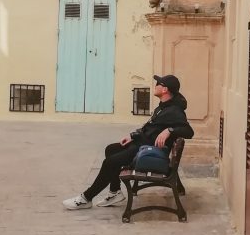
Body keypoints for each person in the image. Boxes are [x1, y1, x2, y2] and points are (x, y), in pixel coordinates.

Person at [63, 75, 194, 210]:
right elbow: (150, 127)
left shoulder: (174, 110)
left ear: (165, 89)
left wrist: (169, 131)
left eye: (158, 83)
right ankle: (115, 192)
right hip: (141, 144)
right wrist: (133, 135)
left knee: (110, 162)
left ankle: (86, 198)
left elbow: (189, 131)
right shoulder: (163, 107)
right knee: (111, 149)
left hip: (147, 151)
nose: (155, 85)